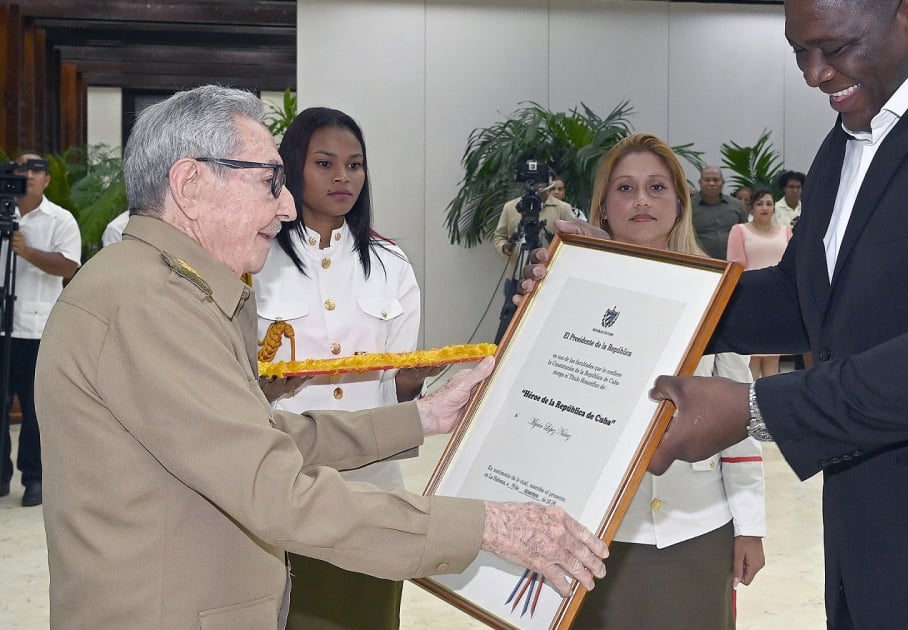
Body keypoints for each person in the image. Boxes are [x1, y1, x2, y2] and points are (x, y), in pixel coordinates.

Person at [529, 1, 908, 626]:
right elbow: (806, 299)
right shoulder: (848, 143)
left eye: (833, 49)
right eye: (799, 53)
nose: (814, 74)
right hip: (881, 555)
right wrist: (622, 281)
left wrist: (754, 409)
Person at [34, 85, 607, 629]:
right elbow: (272, 485)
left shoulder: (176, 287)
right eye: (270, 182)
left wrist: (423, 417)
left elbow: (259, 433)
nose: (286, 207)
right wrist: (489, 525)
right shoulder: (151, 303)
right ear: (190, 184)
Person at [253, 106, 437, 629]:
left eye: (354, 165)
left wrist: (418, 379)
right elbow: (233, 380)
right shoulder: (257, 261)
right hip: (287, 475)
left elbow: (399, 389)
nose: (342, 177)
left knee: (369, 615)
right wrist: (263, 388)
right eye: (325, 163)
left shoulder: (389, 263)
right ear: (291, 169)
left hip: (373, 480)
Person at [572, 134, 766, 630]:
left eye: (656, 187)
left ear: (680, 203)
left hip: (698, 527)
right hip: (596, 534)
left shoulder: (716, 292)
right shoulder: (570, 294)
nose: (641, 200)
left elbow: (739, 420)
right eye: (625, 188)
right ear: (603, 207)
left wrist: (749, 528)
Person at [1, 153, 81, 507]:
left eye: (36, 170)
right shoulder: (4, 213)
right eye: (21, 169)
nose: (28, 175)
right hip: (2, 329)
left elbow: (69, 267)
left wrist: (28, 252)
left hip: (37, 330)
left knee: (35, 411)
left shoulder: (60, 220)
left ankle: (34, 478)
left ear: (47, 180)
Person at [492, 176, 576, 342]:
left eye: (542, 184)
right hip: (515, 278)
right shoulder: (511, 207)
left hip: (549, 278)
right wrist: (504, 247)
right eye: (534, 183)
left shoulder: (562, 208)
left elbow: (574, 240)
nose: (538, 188)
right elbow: (499, 236)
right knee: (509, 325)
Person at [727, 188, 792, 380]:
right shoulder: (739, 230)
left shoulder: (785, 231)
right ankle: (750, 403)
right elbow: (735, 265)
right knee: (752, 357)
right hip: (750, 299)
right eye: (759, 203)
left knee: (773, 356)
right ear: (751, 207)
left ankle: (771, 404)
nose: (765, 208)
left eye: (769, 203)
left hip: (779, 298)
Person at [691, 166, 747, 259]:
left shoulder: (737, 205)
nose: (712, 183)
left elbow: (746, 234)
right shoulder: (688, 207)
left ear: (723, 183)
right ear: (700, 182)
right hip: (699, 263)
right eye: (707, 180)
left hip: (732, 263)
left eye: (716, 180)